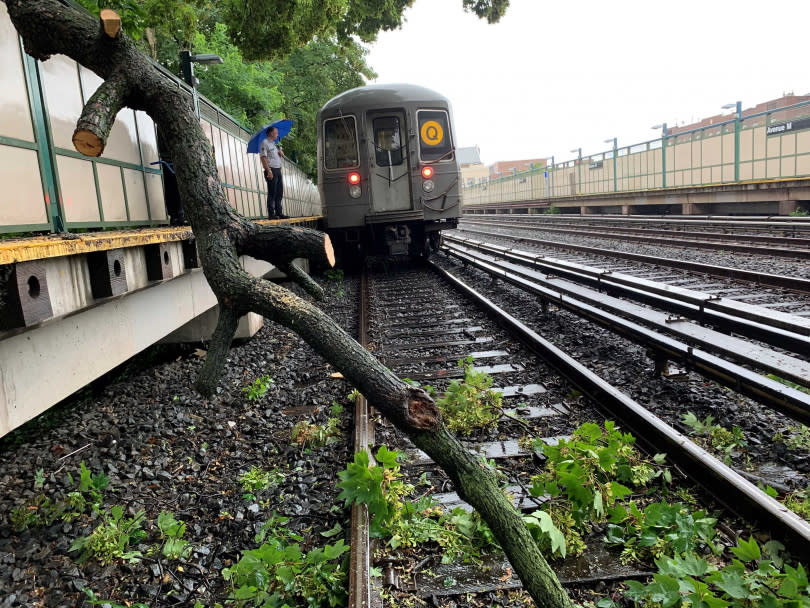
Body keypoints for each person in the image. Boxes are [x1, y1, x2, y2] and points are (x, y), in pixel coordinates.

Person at [259, 126, 286, 219]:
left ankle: (279, 212)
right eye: (276, 132)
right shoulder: (264, 143)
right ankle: (271, 214)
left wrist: (280, 154)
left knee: (279, 192)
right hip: (271, 169)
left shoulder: (275, 144)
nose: (277, 134)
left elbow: (276, 156)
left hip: (278, 169)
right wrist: (268, 171)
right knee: (272, 193)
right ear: (271, 133)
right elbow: (263, 157)